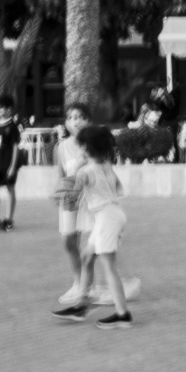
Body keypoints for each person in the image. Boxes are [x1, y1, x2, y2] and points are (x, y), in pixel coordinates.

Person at [69, 124, 137, 328]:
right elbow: (117, 188)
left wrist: (76, 169)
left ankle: (122, 314)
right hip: (112, 214)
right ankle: (81, 304)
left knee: (108, 266)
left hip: (106, 218)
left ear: (86, 147)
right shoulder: (107, 165)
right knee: (87, 257)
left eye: (81, 145)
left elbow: (71, 198)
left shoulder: (85, 172)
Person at [51, 102, 97, 317]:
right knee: (68, 241)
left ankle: (87, 290)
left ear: (88, 121)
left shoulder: (94, 144)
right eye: (70, 118)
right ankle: (78, 283)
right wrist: (58, 193)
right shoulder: (61, 147)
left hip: (89, 198)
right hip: (69, 198)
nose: (75, 121)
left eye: (80, 117)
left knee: (91, 247)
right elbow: (61, 175)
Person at [0, 97, 23, 232]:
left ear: (9, 109)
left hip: (8, 164)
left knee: (10, 188)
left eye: (1, 107)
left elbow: (15, 147)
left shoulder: (12, 127)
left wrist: (12, 166)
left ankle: (8, 220)